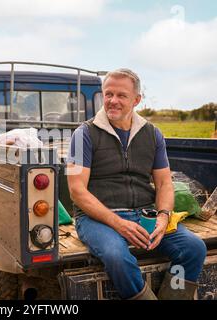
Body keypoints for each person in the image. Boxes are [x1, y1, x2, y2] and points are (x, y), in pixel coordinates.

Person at [66, 68, 206, 300]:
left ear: (137, 100)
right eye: (108, 94)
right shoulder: (82, 135)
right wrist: (120, 224)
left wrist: (163, 216)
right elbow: (76, 191)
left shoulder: (153, 134)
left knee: (193, 248)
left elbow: (164, 184)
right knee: (116, 256)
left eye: (121, 95)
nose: (113, 101)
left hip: (144, 215)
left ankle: (176, 296)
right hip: (97, 218)